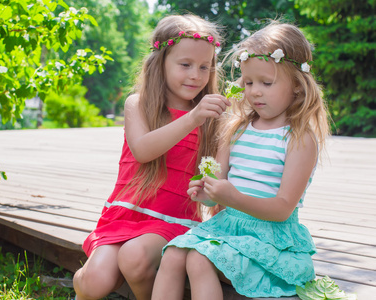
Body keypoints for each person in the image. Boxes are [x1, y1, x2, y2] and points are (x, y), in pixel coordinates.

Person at [152, 21, 331, 299]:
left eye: (266, 83)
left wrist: (232, 198)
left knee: (198, 259)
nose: (254, 91)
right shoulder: (236, 129)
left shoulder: (298, 139)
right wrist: (206, 194)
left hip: (269, 238)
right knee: (174, 254)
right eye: (248, 82)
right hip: (228, 228)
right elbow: (219, 187)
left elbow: (282, 209)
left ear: (297, 85)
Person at [73, 14, 231, 300]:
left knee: (134, 258)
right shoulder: (138, 105)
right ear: (161, 63)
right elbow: (143, 150)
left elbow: (217, 181)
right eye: (185, 65)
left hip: (174, 220)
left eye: (204, 67)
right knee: (94, 281)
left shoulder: (213, 120)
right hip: (124, 214)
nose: (196, 75)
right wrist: (192, 118)